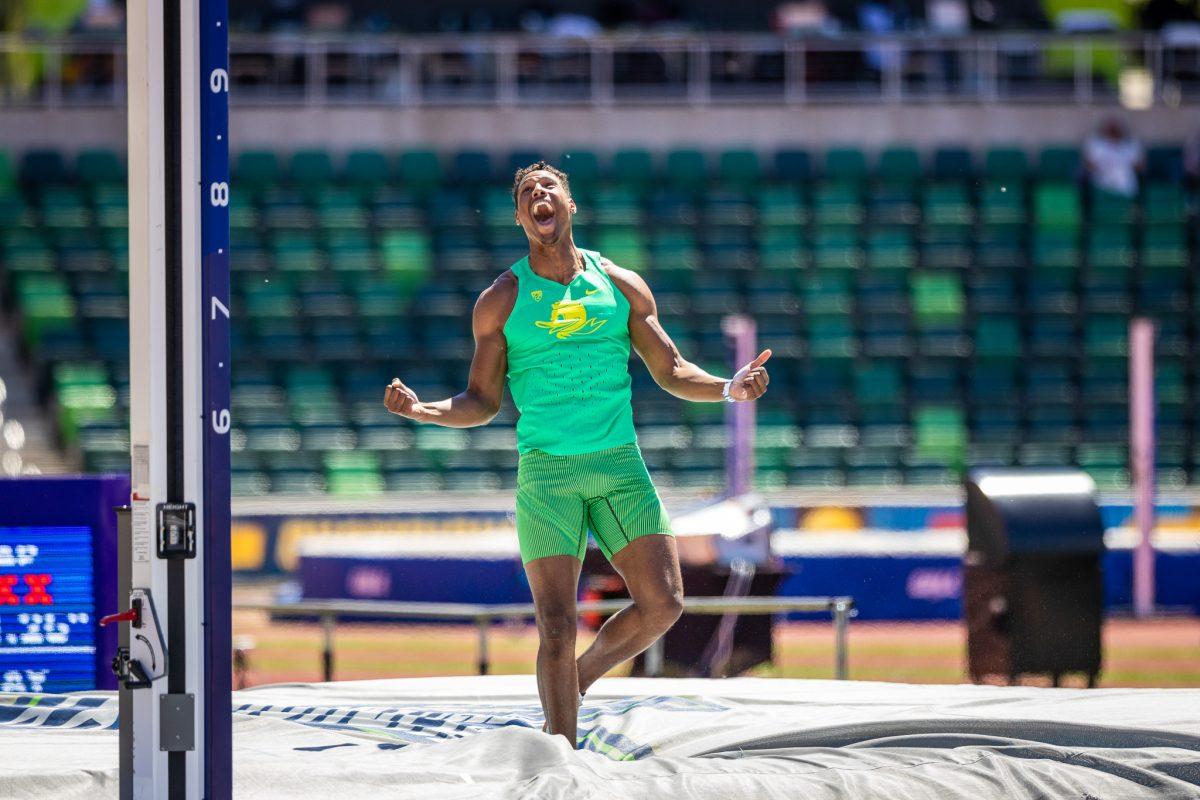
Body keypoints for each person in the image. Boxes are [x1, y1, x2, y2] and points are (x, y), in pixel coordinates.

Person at [383, 161, 771, 746]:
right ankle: (560, 754)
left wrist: (728, 386)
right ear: (520, 217)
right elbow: (481, 400)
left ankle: (580, 677)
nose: (539, 196)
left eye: (549, 188)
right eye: (526, 195)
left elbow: (670, 370)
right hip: (548, 475)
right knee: (557, 627)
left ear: (570, 205)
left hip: (618, 466)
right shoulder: (502, 299)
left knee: (663, 604)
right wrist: (422, 410)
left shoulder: (620, 284)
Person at [1083, 117, 1145, 199]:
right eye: (1110, 128)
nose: (1113, 131)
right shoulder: (1096, 144)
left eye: (1115, 128)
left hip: (1125, 182)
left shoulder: (1131, 144)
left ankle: (1133, 207)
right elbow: (1088, 165)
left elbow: (1141, 166)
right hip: (1102, 180)